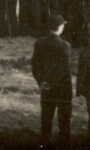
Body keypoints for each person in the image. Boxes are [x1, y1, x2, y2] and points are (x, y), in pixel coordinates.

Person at [31, 15, 72, 145]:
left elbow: (35, 66)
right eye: (63, 25)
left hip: (46, 87)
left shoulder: (40, 42)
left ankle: (45, 142)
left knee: (46, 118)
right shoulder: (64, 45)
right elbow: (62, 69)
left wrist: (41, 82)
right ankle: (64, 143)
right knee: (64, 119)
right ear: (60, 27)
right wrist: (51, 82)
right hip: (62, 87)